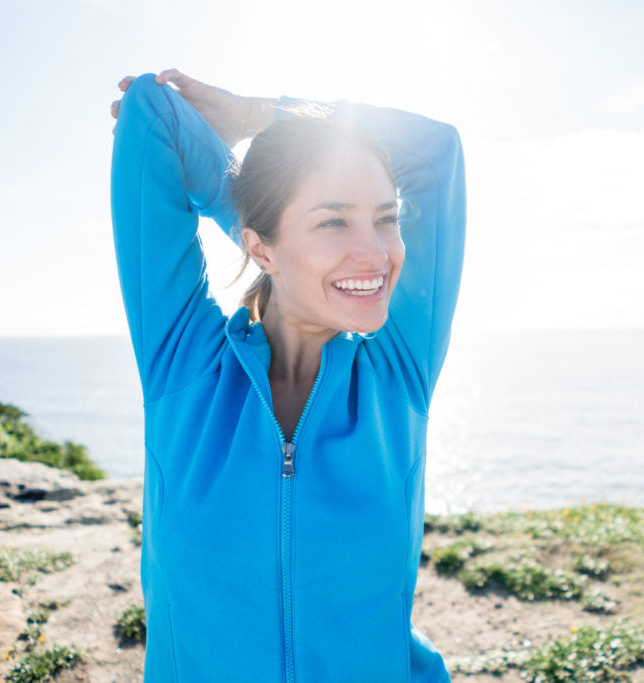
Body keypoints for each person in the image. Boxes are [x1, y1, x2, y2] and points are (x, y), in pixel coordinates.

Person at [109, 70, 465, 682]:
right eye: (333, 222)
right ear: (261, 249)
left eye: (386, 217)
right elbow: (151, 114)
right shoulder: (185, 366)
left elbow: (437, 152)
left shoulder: (396, 375)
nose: (377, 254)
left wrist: (259, 117)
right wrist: (257, 213)